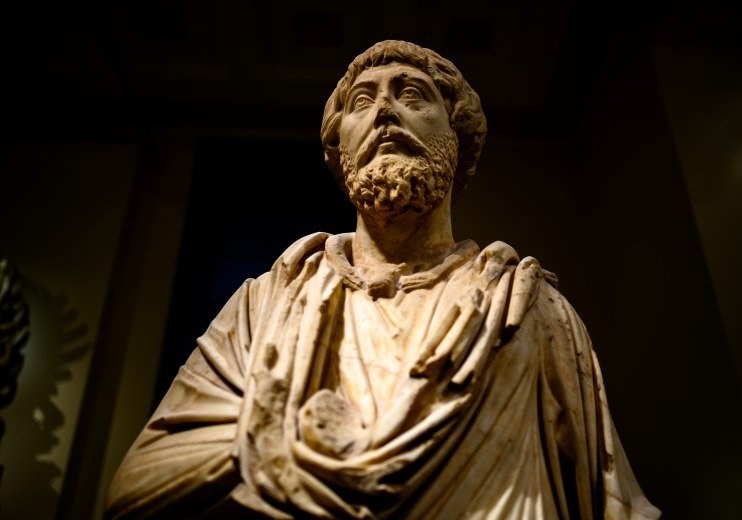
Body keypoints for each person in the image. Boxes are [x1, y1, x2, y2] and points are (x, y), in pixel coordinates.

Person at [106, 40, 660, 519]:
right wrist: (278, 445)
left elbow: (614, 504)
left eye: (412, 95)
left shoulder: (527, 309)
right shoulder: (265, 304)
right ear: (339, 149)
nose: (386, 112)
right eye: (361, 102)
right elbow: (136, 486)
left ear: (459, 136)